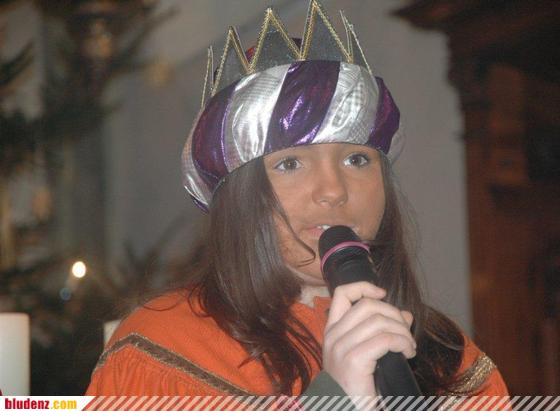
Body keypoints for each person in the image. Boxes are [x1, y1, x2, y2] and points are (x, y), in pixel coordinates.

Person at [86, 0, 509, 402]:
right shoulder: (163, 350)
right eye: (290, 164)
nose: (334, 190)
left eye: (357, 159)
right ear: (238, 198)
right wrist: (336, 399)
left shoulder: (450, 357)